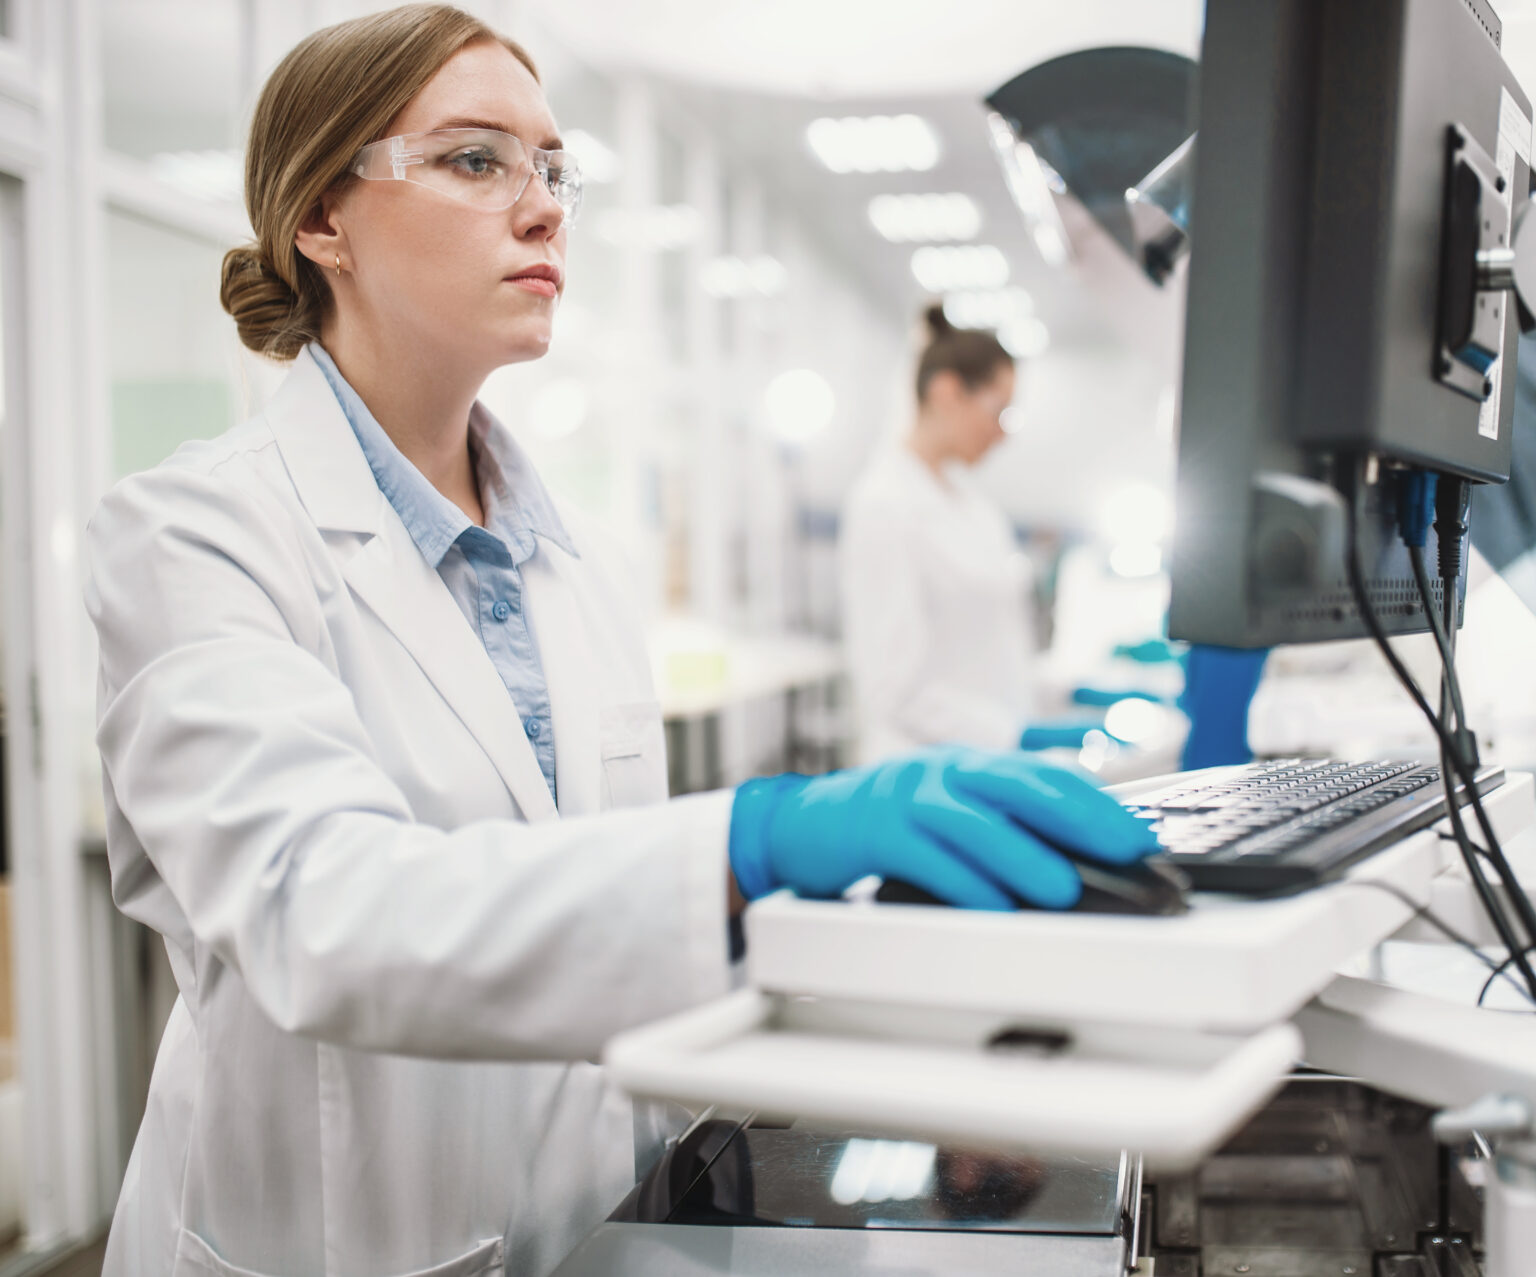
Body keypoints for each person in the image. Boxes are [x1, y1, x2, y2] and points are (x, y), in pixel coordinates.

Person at [85, 8, 1158, 1273]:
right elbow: (323, 910)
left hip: (597, 1222)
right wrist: (752, 839)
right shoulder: (193, 532)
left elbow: (596, 918)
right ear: (322, 218)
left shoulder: (571, 553)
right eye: (476, 161)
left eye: (551, 168)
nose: (543, 209)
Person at [840, 307, 1103, 761]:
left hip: (990, 765)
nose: (1003, 433)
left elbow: (996, 660)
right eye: (999, 411)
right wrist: (1016, 735)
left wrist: (1079, 694)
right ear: (947, 392)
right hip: (924, 776)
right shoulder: (883, 507)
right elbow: (893, 692)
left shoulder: (975, 509)